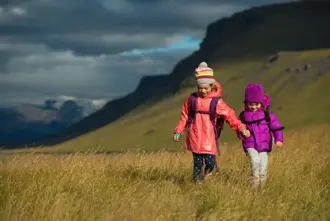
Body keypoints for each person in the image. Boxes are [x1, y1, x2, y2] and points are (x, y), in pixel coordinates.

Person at [173, 61, 251, 183]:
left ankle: (206, 175)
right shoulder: (191, 100)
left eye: (205, 88)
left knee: (210, 163)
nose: (202, 91)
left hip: (209, 138)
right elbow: (185, 116)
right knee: (197, 165)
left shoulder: (217, 102)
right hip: (194, 136)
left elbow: (230, 116)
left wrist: (241, 128)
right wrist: (179, 131)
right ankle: (197, 184)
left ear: (212, 86)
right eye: (200, 88)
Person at [238, 84, 284, 188]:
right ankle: (254, 186)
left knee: (263, 168)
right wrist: (242, 132)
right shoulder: (243, 116)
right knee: (255, 161)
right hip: (250, 144)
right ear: (246, 103)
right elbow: (238, 127)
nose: (253, 107)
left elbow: (276, 127)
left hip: (264, 145)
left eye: (256, 104)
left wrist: (279, 139)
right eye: (250, 104)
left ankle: (262, 188)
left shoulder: (267, 115)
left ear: (261, 103)